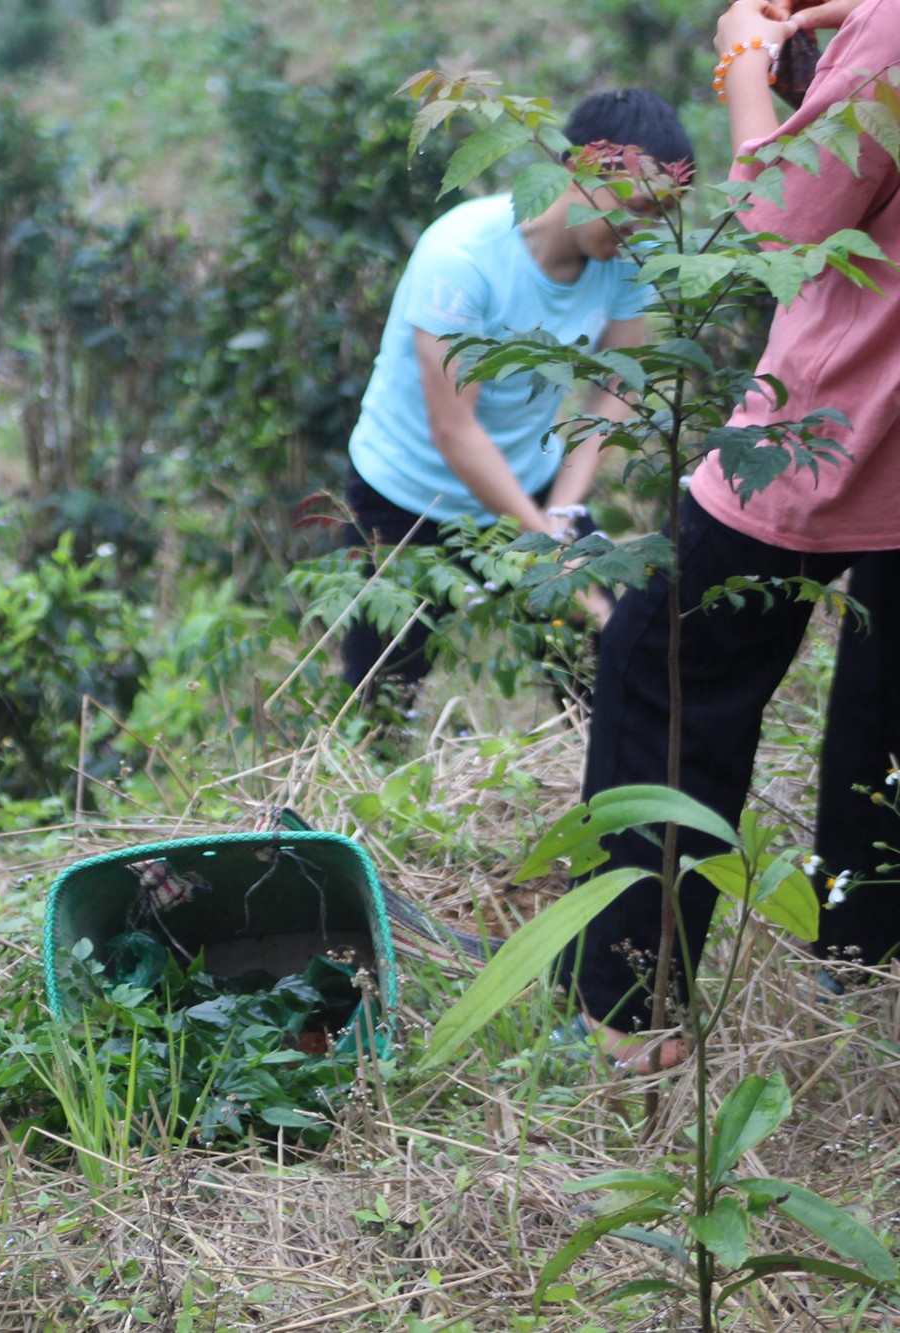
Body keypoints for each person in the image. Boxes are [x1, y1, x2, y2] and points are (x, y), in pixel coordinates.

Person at [567, 0, 900, 1072]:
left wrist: (744, 65)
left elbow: (783, 221)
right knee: (880, 701)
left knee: (661, 670)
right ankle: (861, 966)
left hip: (834, 426)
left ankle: (624, 1014)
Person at [339, 90, 694, 706]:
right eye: (635, 208)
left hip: (528, 483)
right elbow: (456, 431)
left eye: (662, 213)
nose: (645, 230)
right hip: (405, 498)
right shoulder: (462, 258)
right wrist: (551, 558)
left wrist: (561, 512)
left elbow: (616, 385)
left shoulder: (631, 255)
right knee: (383, 697)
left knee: (598, 675)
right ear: (574, 172)